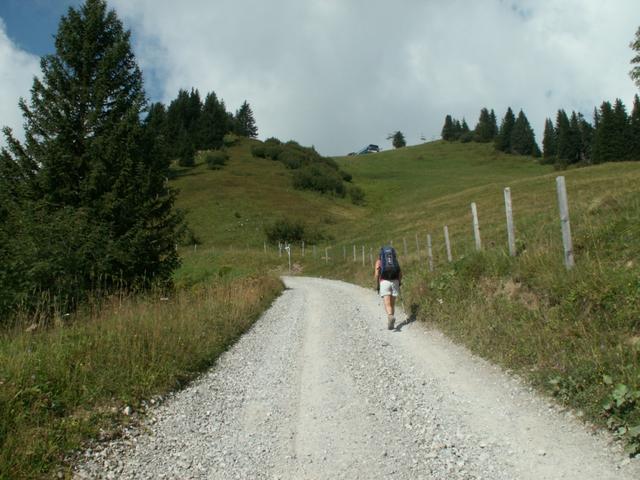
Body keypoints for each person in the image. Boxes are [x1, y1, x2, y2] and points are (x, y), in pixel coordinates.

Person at [374, 246, 402, 330]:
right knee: (392, 304)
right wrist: (399, 282)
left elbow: (376, 275)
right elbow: (400, 274)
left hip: (384, 282)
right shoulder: (395, 261)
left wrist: (377, 283)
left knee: (387, 303)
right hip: (395, 281)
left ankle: (390, 316)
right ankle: (391, 321)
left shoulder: (379, 261)